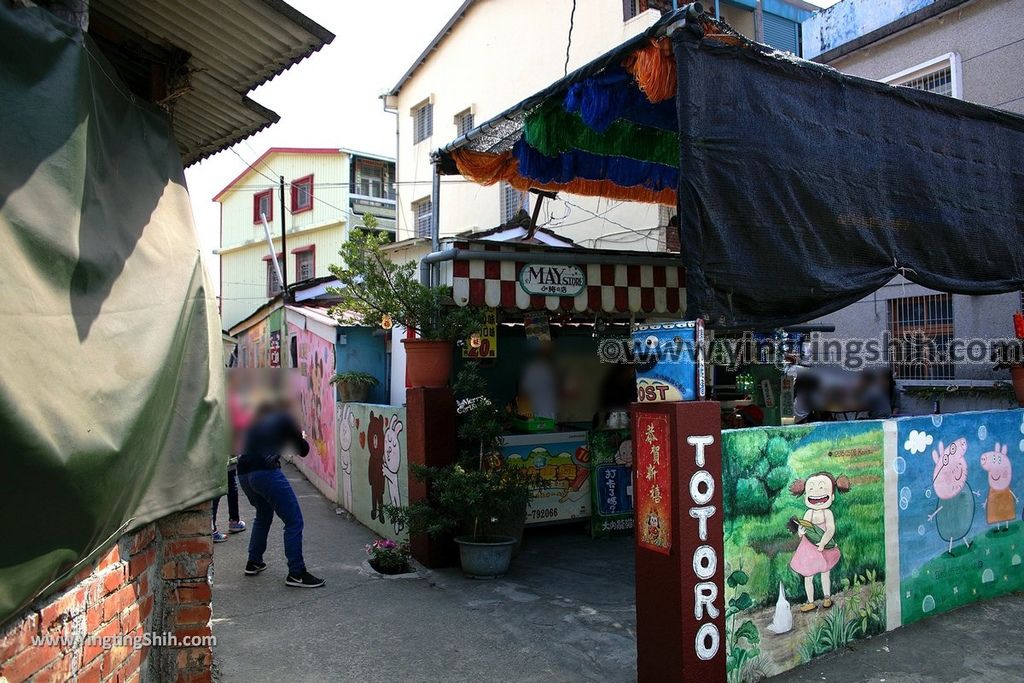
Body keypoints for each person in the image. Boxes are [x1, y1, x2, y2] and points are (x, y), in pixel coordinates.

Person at [237, 398, 325, 588]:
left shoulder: (255, 417)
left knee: (263, 515)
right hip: (265, 472)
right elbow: (302, 450)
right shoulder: (285, 417)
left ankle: (254, 561)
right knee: (294, 521)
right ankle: (296, 573)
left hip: (243, 473)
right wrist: (300, 437)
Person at [213, 373, 250, 542]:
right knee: (224, 486)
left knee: (227, 484)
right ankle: (225, 523)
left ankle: (229, 522)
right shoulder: (231, 399)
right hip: (227, 449)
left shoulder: (215, 397)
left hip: (220, 449)